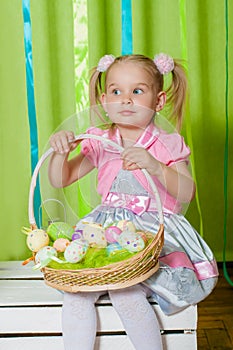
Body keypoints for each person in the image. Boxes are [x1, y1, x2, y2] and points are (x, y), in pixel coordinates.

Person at [49, 53, 218, 350]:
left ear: (159, 100)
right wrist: (60, 151)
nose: (125, 99)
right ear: (104, 99)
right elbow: (60, 178)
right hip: (105, 231)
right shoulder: (100, 140)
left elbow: (186, 191)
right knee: (77, 293)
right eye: (116, 91)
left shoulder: (166, 142)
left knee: (125, 293)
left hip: (149, 231)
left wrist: (154, 165)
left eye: (137, 91)